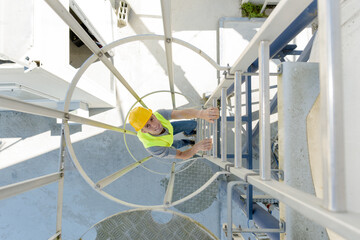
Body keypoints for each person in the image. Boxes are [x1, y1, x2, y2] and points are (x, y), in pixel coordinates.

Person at [128, 106, 220, 159]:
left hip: (169, 129)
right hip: (166, 143)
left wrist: (201, 114)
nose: (155, 125)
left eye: (152, 119)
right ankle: (189, 142)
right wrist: (196, 148)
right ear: (143, 131)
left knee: (192, 123)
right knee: (179, 144)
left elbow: (182, 113)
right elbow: (181, 155)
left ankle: (188, 133)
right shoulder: (154, 148)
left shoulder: (159, 114)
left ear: (153, 115)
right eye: (148, 126)